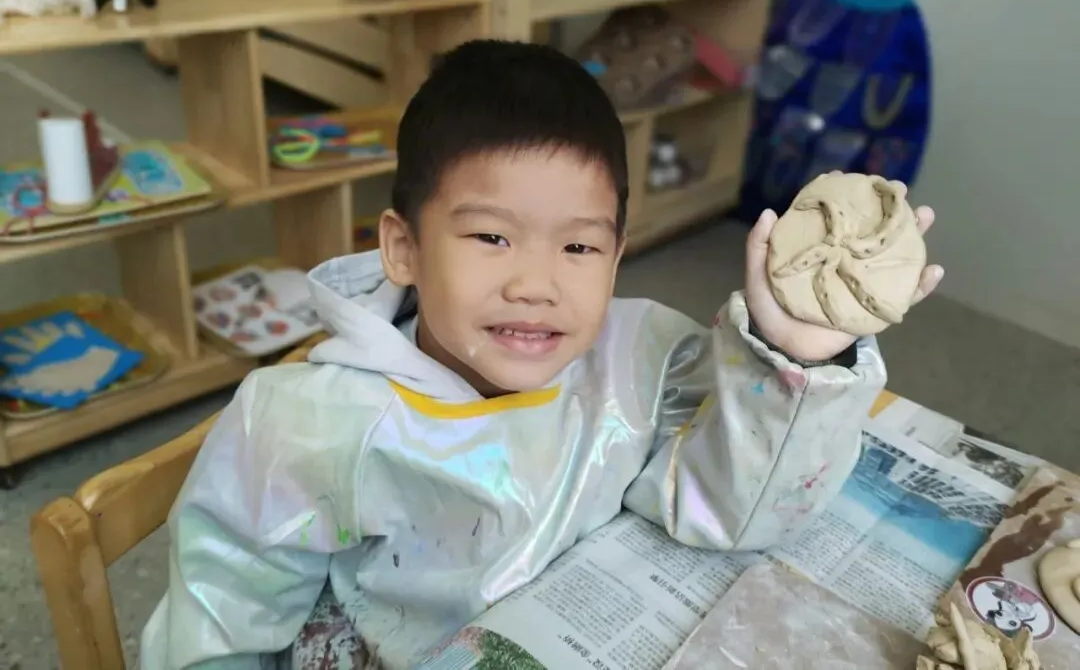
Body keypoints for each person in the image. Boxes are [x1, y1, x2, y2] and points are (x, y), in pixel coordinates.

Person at [140, 40, 943, 669]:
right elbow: (217, 629)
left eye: (579, 247)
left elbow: (735, 512)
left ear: (617, 254)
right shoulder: (309, 425)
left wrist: (795, 350)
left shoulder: (641, 355)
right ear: (403, 248)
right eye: (491, 237)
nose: (536, 285)